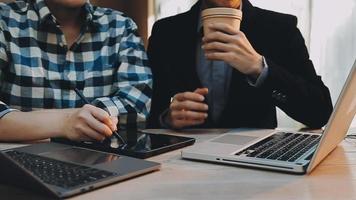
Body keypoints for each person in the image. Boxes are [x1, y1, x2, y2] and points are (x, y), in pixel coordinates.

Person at [147, 0, 333, 129]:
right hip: (181, 165)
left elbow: (319, 112)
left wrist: (259, 68)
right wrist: (167, 119)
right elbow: (145, 116)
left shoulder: (280, 28)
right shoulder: (166, 32)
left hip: (254, 166)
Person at [0, 0, 152, 141]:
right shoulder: (5, 19)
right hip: (17, 162)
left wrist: (88, 119)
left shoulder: (120, 26)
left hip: (100, 160)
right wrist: (66, 121)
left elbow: (137, 103)